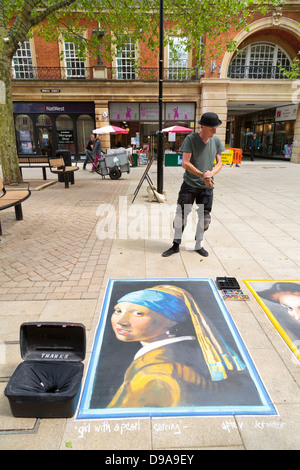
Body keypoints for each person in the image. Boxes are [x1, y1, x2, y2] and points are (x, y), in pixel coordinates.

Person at [107, 284, 259, 409]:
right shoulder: (199, 349)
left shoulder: (155, 375)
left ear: (170, 321)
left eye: (139, 313)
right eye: (118, 311)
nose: (122, 320)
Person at [162, 112, 225, 258]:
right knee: (181, 216)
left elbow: (220, 163)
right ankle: (176, 245)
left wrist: (210, 174)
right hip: (190, 184)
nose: (215, 131)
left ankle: (198, 244)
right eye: (212, 128)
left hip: (206, 186)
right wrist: (201, 174)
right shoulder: (190, 139)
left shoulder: (215, 141)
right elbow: (185, 163)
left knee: (205, 218)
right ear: (202, 126)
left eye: (216, 128)